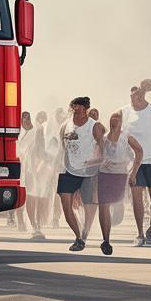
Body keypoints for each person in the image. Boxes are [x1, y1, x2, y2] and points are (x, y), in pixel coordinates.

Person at [122, 80, 151, 246]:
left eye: (140, 94)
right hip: (135, 162)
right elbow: (115, 131)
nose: (137, 97)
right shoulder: (124, 111)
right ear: (131, 96)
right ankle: (140, 232)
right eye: (134, 95)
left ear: (144, 95)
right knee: (136, 196)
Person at [57, 97, 105, 252]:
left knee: (89, 206)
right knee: (66, 205)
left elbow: (103, 148)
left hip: (88, 172)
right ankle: (78, 237)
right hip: (69, 169)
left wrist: (100, 167)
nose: (77, 111)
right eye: (74, 108)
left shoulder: (95, 126)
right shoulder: (65, 125)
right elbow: (62, 147)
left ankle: (84, 235)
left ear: (86, 110)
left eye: (81, 109)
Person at [95, 110, 143, 256]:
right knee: (104, 205)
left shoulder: (126, 137)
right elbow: (97, 155)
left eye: (117, 119)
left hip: (120, 175)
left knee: (116, 205)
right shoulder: (103, 138)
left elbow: (139, 152)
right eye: (112, 118)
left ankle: (119, 218)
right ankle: (106, 241)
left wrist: (133, 172)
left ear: (121, 122)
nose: (114, 121)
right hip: (104, 175)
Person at [18, 111, 49, 240]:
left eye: (27, 119)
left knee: (36, 197)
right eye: (23, 120)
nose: (26, 122)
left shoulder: (37, 130)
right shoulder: (18, 132)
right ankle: (31, 225)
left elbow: (42, 149)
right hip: (23, 168)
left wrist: (40, 165)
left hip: (35, 168)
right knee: (28, 197)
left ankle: (37, 226)